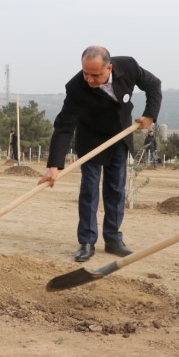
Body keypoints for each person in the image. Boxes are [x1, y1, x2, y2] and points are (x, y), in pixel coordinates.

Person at [38, 45, 162, 262]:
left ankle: (113, 239)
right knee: (89, 189)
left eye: (95, 75)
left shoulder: (129, 66)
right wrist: (53, 166)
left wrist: (150, 115)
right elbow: (64, 125)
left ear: (109, 67)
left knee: (115, 189)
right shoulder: (77, 87)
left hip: (120, 136)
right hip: (91, 139)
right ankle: (87, 241)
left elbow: (153, 85)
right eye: (86, 73)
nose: (90, 80)